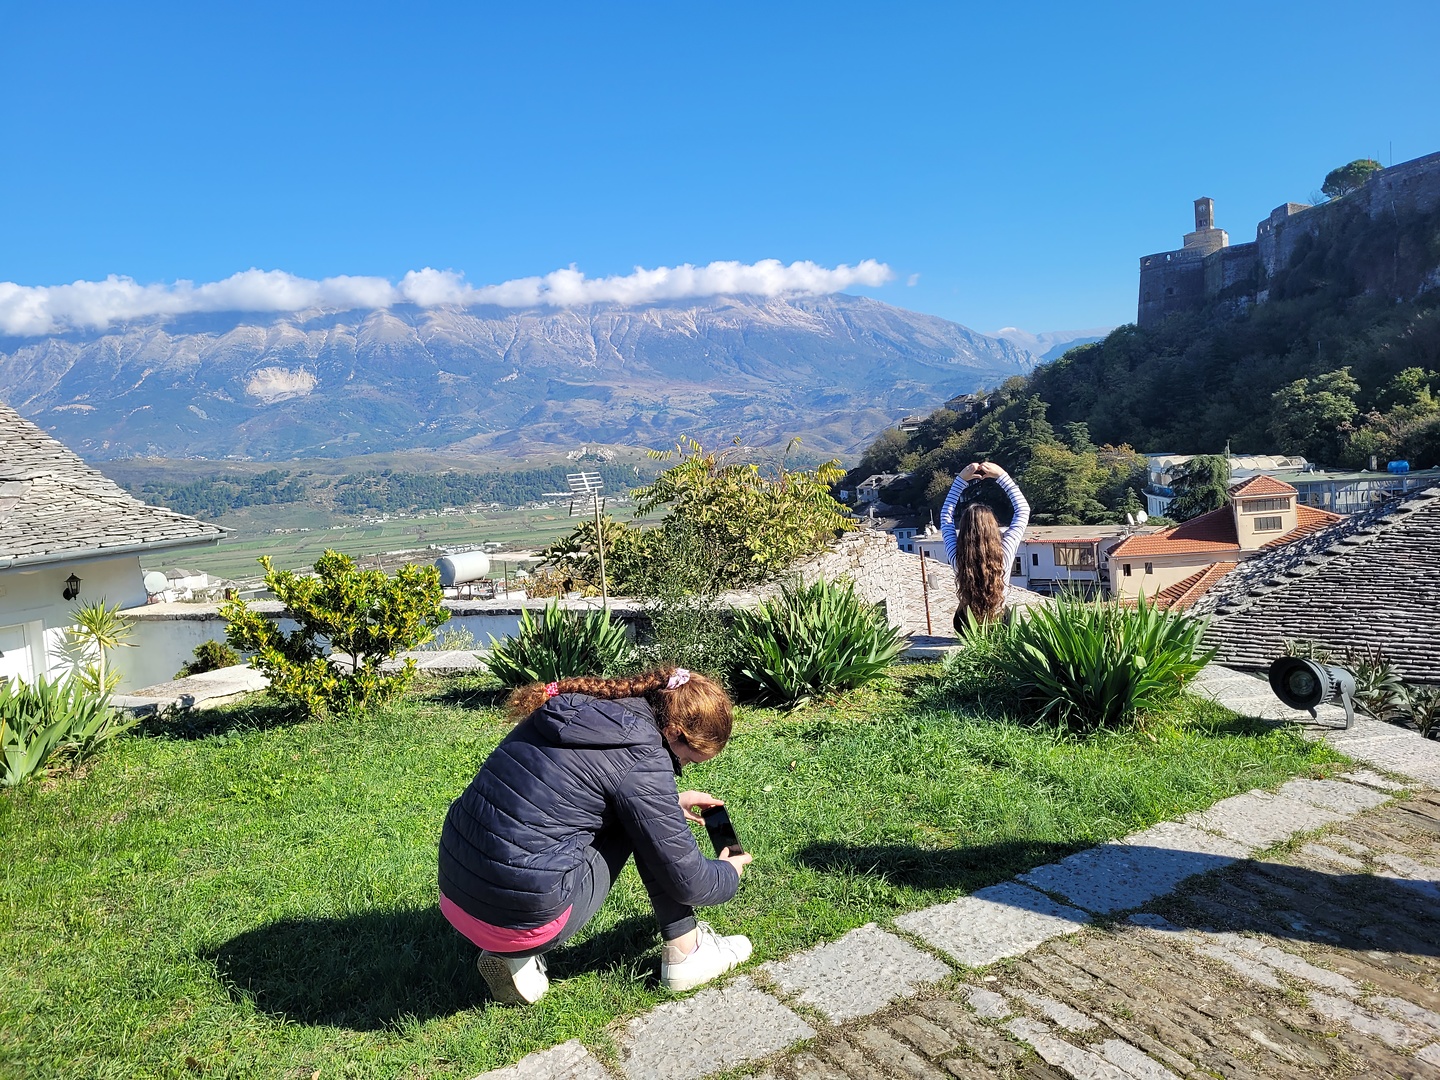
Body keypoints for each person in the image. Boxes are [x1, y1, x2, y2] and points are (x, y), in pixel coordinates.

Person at [437, 667, 753, 1005]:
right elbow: (692, 883)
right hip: (523, 918)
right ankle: (687, 952)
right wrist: (729, 872)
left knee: (637, 814)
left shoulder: (574, 706)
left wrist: (667, 802)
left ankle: (515, 957)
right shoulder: (642, 751)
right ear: (673, 731)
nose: (680, 769)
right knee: (639, 824)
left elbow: (561, 791)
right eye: (686, 760)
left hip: (456, 894)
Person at [939, 461, 1030, 635]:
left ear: (964, 530)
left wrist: (960, 480)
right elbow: (1023, 510)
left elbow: (945, 516)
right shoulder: (1005, 552)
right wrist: (1002, 476)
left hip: (965, 624)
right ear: (993, 528)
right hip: (1000, 621)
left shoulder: (956, 556)